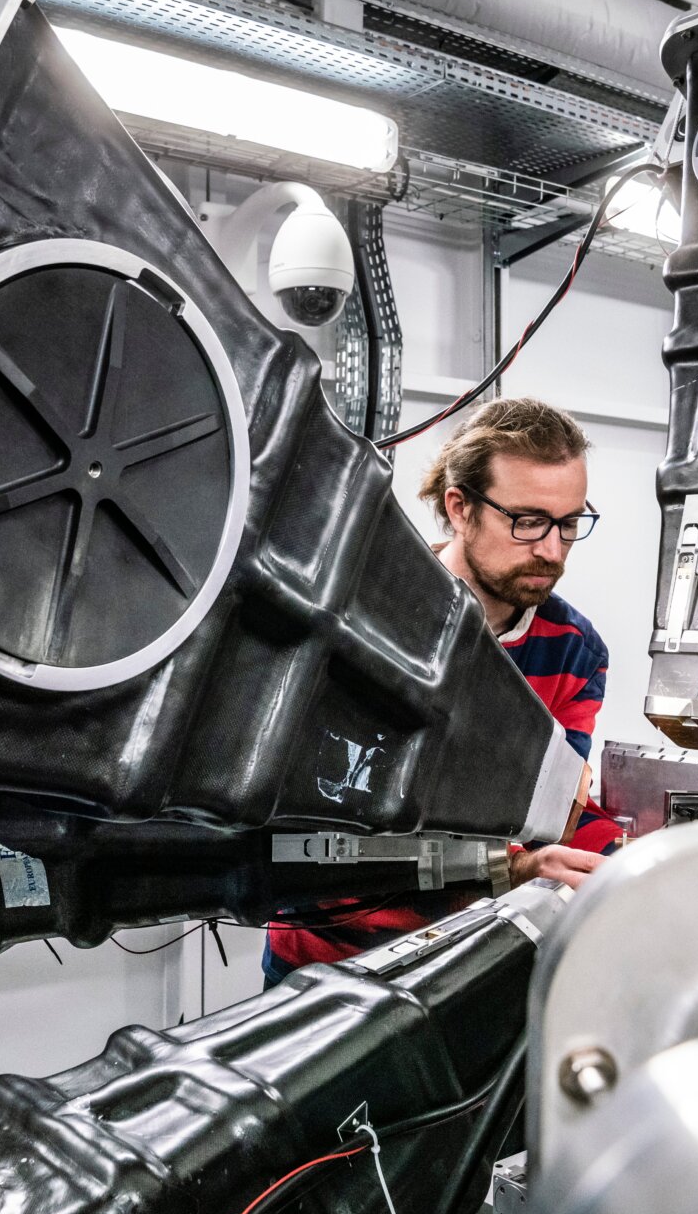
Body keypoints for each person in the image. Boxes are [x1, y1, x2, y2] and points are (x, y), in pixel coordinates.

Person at [264, 397, 618, 985]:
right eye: (527, 521)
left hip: (467, 960)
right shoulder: (357, 614)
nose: (552, 550)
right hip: (325, 962)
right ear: (460, 507)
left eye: (569, 523)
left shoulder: (574, 650)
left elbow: (551, 815)